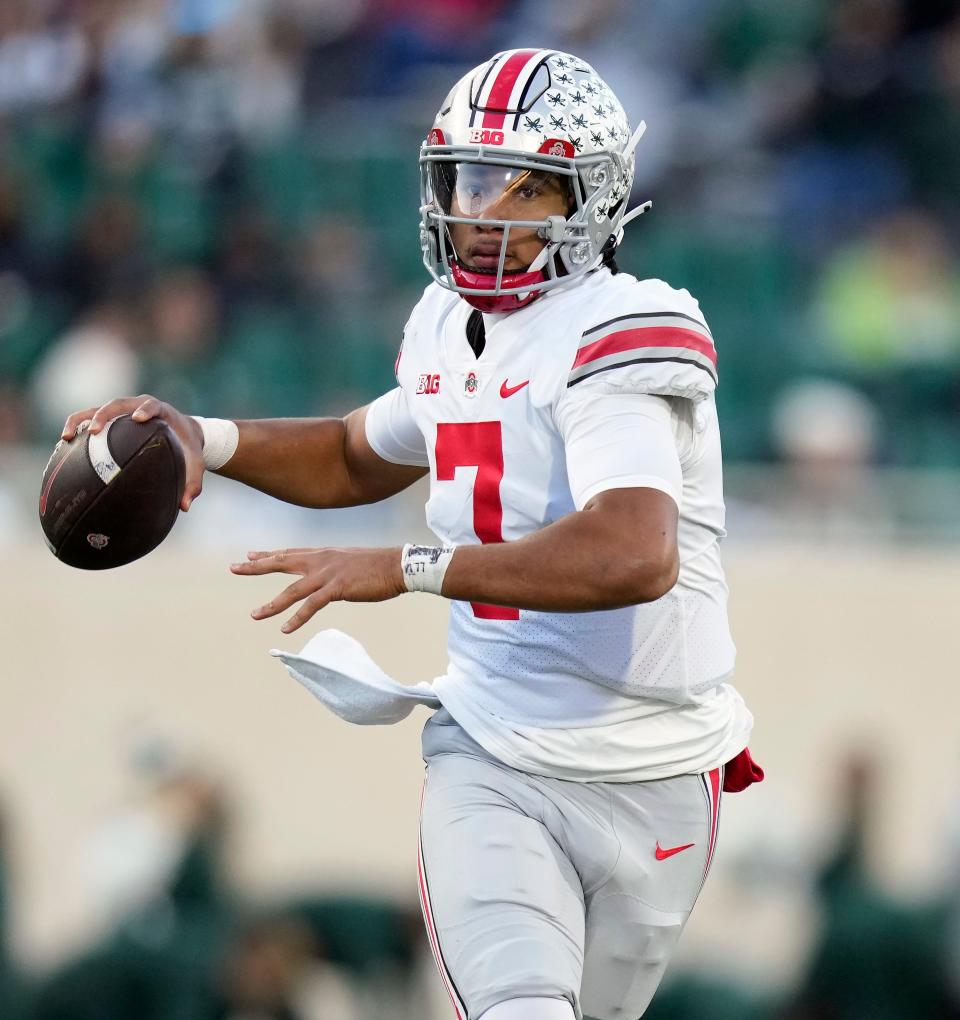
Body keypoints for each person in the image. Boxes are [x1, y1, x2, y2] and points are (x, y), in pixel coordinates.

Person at [63, 49, 763, 1020]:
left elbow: (633, 552)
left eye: (519, 190)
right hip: (493, 742)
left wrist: (407, 567)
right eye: (469, 179)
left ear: (590, 201)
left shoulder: (623, 329)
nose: (481, 209)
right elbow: (359, 452)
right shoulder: (447, 324)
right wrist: (205, 437)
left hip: (655, 762)